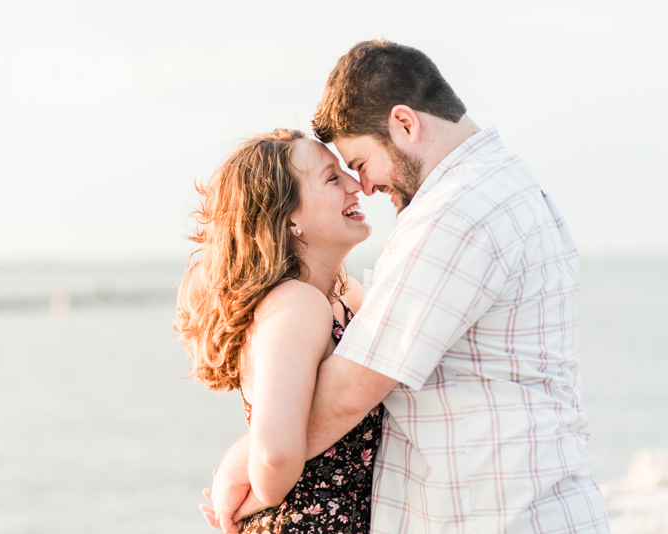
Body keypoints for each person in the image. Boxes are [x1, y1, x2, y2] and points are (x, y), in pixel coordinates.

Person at [203, 40, 610, 533]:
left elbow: (357, 383)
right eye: (342, 175)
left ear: (405, 124)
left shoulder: (458, 210)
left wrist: (247, 461)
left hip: (501, 514)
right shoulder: (502, 187)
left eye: (358, 163)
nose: (365, 187)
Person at [176, 128, 384, 533]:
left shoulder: (340, 297)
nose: (356, 184)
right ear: (288, 218)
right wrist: (250, 498)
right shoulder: (297, 304)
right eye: (332, 178)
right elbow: (273, 457)